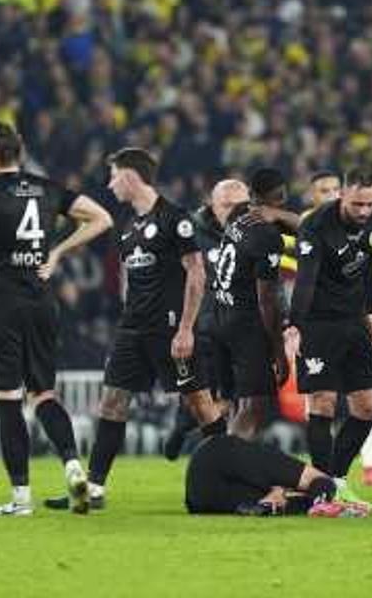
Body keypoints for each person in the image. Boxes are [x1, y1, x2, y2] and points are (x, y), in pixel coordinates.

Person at [0, 123, 113, 516]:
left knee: (9, 399)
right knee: (43, 393)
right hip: (41, 299)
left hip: (2, 300)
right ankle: (73, 467)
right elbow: (102, 218)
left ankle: (21, 498)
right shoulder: (47, 188)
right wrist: (56, 253)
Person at [85, 148, 227, 509]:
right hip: (132, 331)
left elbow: (197, 273)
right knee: (112, 401)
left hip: (170, 331)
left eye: (114, 176)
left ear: (130, 176)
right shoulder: (128, 226)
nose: (110, 185)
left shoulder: (174, 218)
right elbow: (127, 280)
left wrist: (186, 328)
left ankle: (229, 478)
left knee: (200, 404)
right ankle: (93, 488)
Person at [284, 170, 372, 504]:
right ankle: (321, 489)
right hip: (318, 322)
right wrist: (294, 325)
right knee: (323, 401)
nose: (364, 211)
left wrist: (371, 311)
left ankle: (336, 479)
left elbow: (369, 267)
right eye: (358, 204)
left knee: (369, 407)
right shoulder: (315, 226)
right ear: (343, 195)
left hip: (354, 320)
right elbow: (305, 278)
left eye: (370, 204)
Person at [162, 178, 250, 460]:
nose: (234, 212)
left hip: (239, 329)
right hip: (202, 328)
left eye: (241, 206)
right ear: (212, 204)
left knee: (233, 398)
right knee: (200, 396)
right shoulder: (191, 231)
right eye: (227, 205)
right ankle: (183, 425)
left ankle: (223, 457)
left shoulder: (255, 232)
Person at [212, 168, 291, 438]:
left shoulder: (238, 215)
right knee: (255, 406)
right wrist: (278, 350)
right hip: (245, 324)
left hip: (221, 315)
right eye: (280, 197)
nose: (283, 202)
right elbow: (266, 300)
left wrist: (277, 215)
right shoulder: (267, 236)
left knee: (237, 403)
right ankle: (227, 460)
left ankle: (229, 457)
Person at [185, 433, 369, 517]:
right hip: (214, 470)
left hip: (200, 500)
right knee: (303, 492)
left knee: (276, 504)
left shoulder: (263, 467)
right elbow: (321, 480)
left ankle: (318, 504)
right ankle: (320, 503)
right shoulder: (272, 463)